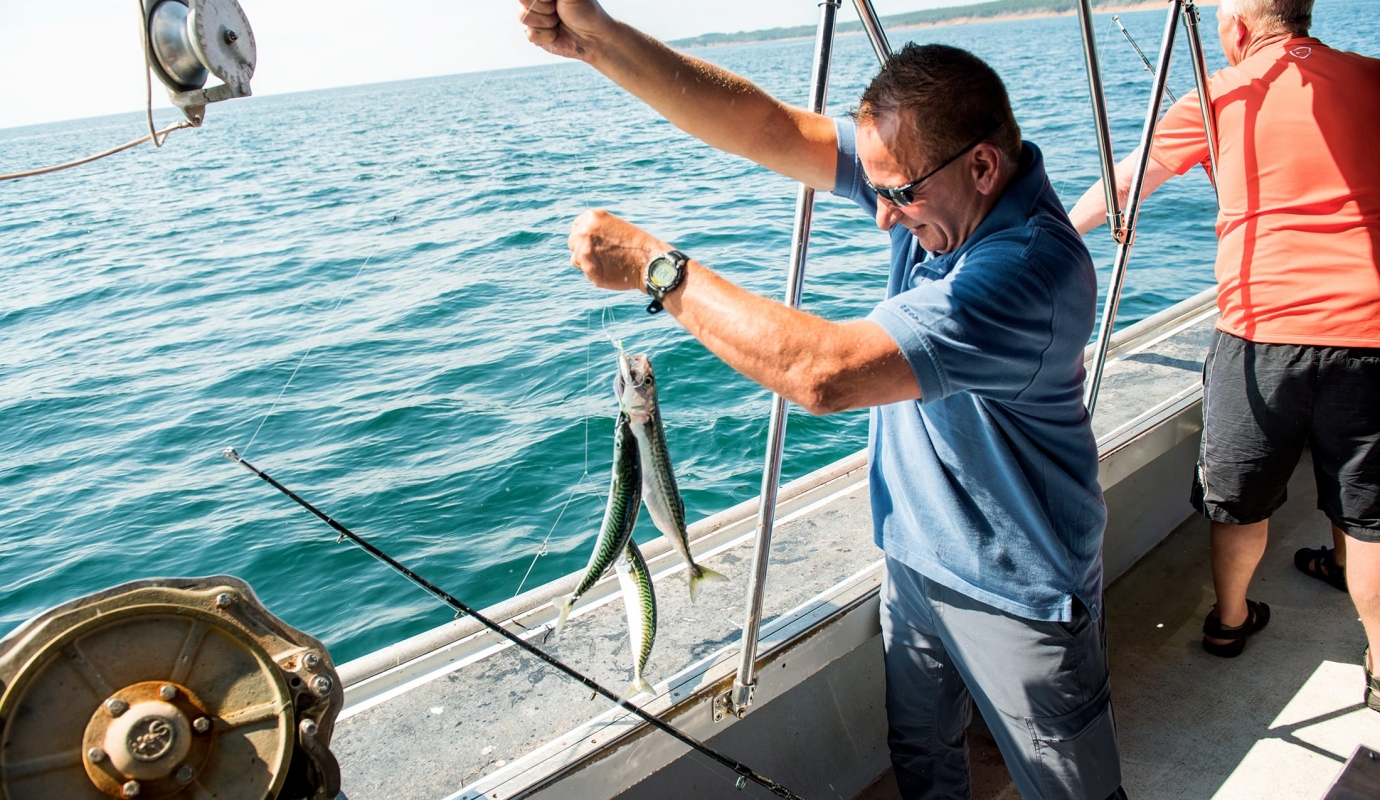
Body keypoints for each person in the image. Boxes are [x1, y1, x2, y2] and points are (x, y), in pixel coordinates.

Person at [520, 2, 1127, 796]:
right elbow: (766, 127)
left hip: (1018, 590)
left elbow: (824, 372)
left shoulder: (1028, 271)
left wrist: (654, 268)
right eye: (876, 189)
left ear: (983, 167)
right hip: (915, 557)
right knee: (923, 759)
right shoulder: (933, 186)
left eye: (897, 194)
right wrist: (599, 39)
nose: (883, 218)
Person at [1068, 0, 1380, 689]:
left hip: (1260, 337)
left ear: (1237, 28)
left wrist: (1053, 230)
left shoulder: (1217, 95)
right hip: (1370, 331)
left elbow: (1126, 185)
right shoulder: (1371, 76)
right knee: (1369, 513)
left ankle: (1230, 621)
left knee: (1239, 499)